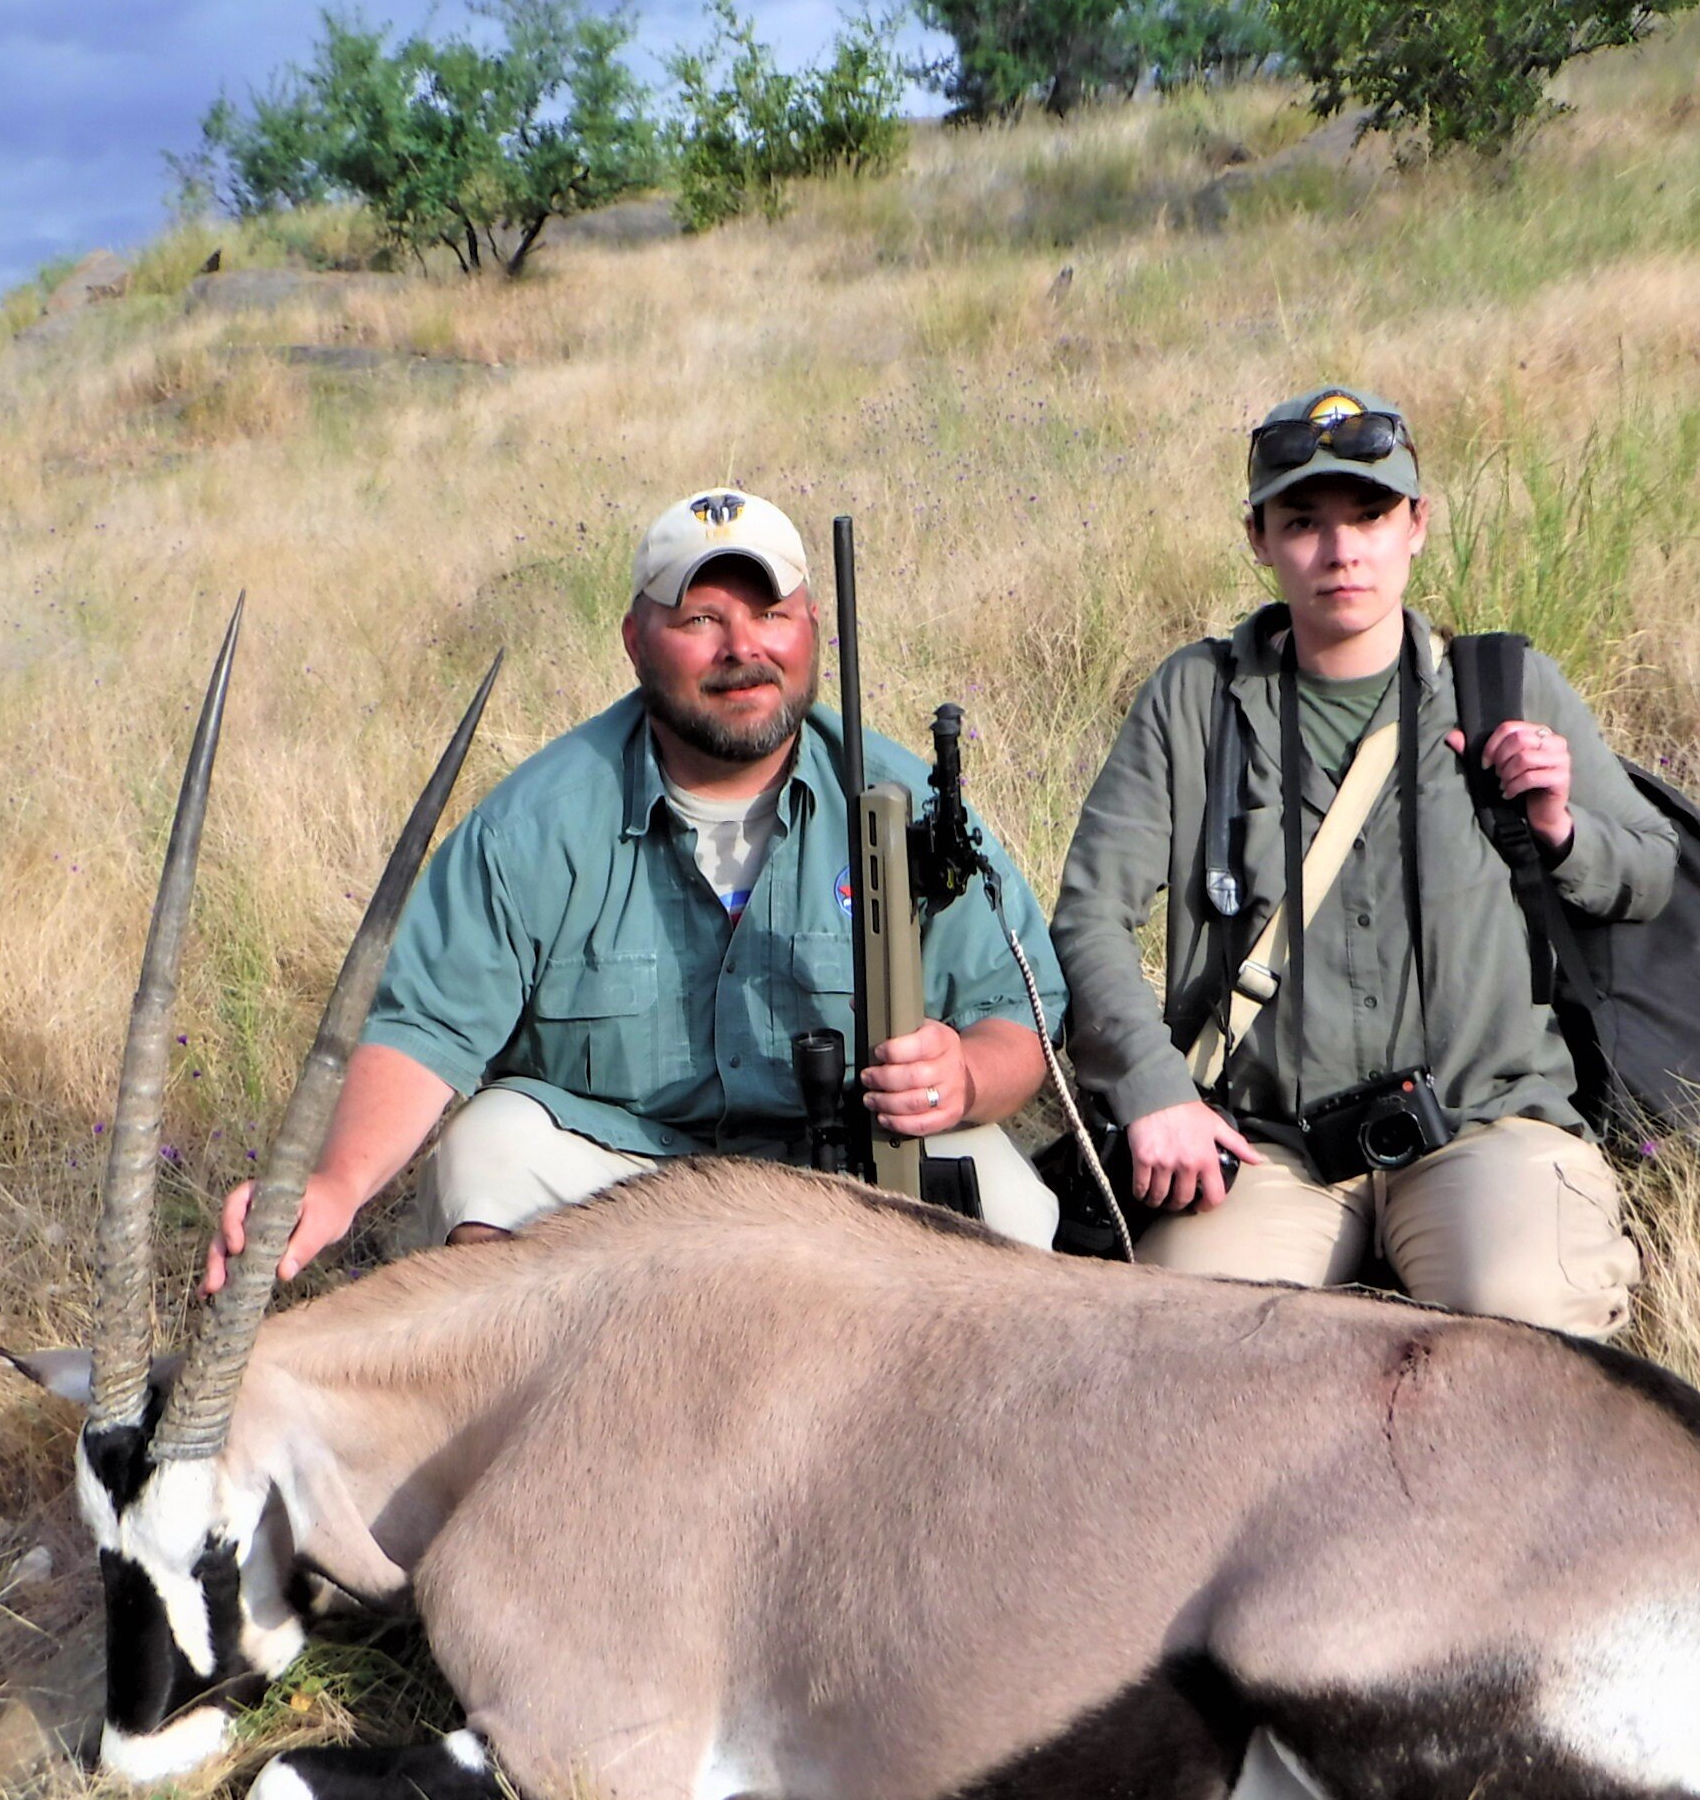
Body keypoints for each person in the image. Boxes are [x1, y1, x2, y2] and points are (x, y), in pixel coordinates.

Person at [208, 486, 1067, 1289]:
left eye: (771, 614)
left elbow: (1019, 1010)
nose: (745, 650)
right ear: (634, 640)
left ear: (813, 626)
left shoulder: (903, 806)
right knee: (486, 1158)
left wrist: (961, 1076)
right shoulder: (534, 826)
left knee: (1013, 1204)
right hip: (625, 1172)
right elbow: (426, 1030)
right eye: (703, 618)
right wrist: (332, 1185)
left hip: (848, 1170)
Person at [1050, 387, 1675, 1336]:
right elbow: (1090, 915)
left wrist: (1559, 828)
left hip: (1485, 1126)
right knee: (1185, 1340)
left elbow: (1651, 871)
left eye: (1372, 515)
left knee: (1520, 1321)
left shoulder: (1504, 685)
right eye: (1304, 522)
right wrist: (1154, 1093)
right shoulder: (1195, 700)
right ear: (1258, 537)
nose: (1342, 551)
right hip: (1268, 1148)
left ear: (1416, 525)